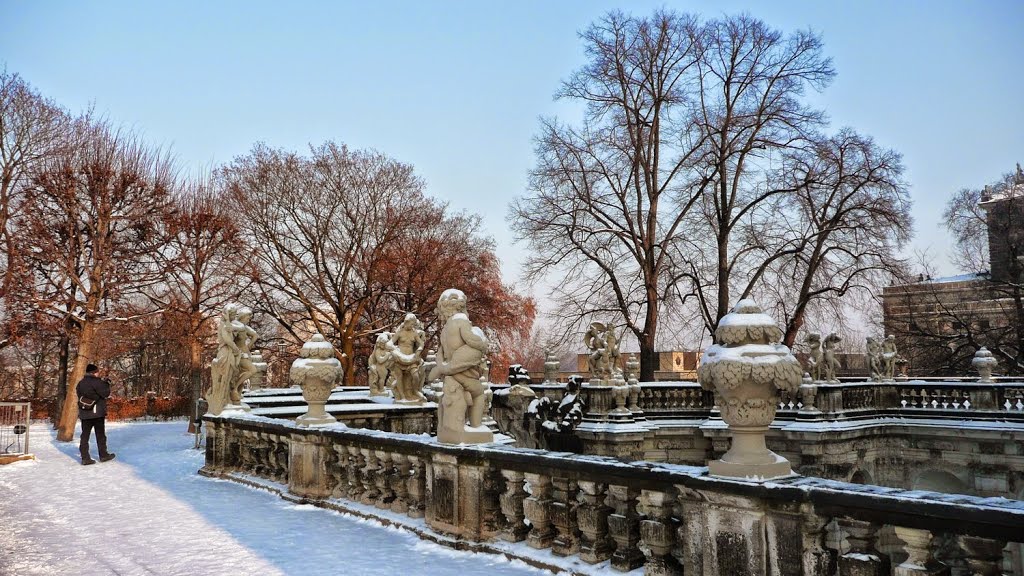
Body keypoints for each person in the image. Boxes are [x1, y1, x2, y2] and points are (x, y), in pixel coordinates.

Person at [77, 363, 115, 465]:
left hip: (84, 413)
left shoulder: (81, 383)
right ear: (94, 372)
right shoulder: (97, 382)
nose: (98, 373)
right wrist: (106, 383)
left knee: (85, 435)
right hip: (97, 413)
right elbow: (105, 393)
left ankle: (85, 457)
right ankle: (103, 455)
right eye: (97, 371)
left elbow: (80, 396)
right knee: (100, 435)